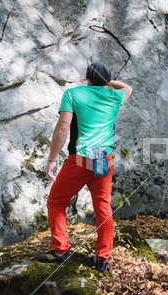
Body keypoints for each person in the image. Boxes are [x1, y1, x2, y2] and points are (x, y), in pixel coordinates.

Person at [37, 62, 132, 272]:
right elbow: (127, 88)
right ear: (106, 80)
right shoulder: (114, 96)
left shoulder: (73, 94)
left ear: (87, 77)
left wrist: (52, 160)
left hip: (80, 159)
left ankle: (61, 250)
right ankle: (103, 259)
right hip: (104, 159)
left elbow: (63, 126)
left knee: (56, 202)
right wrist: (106, 82)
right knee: (103, 208)